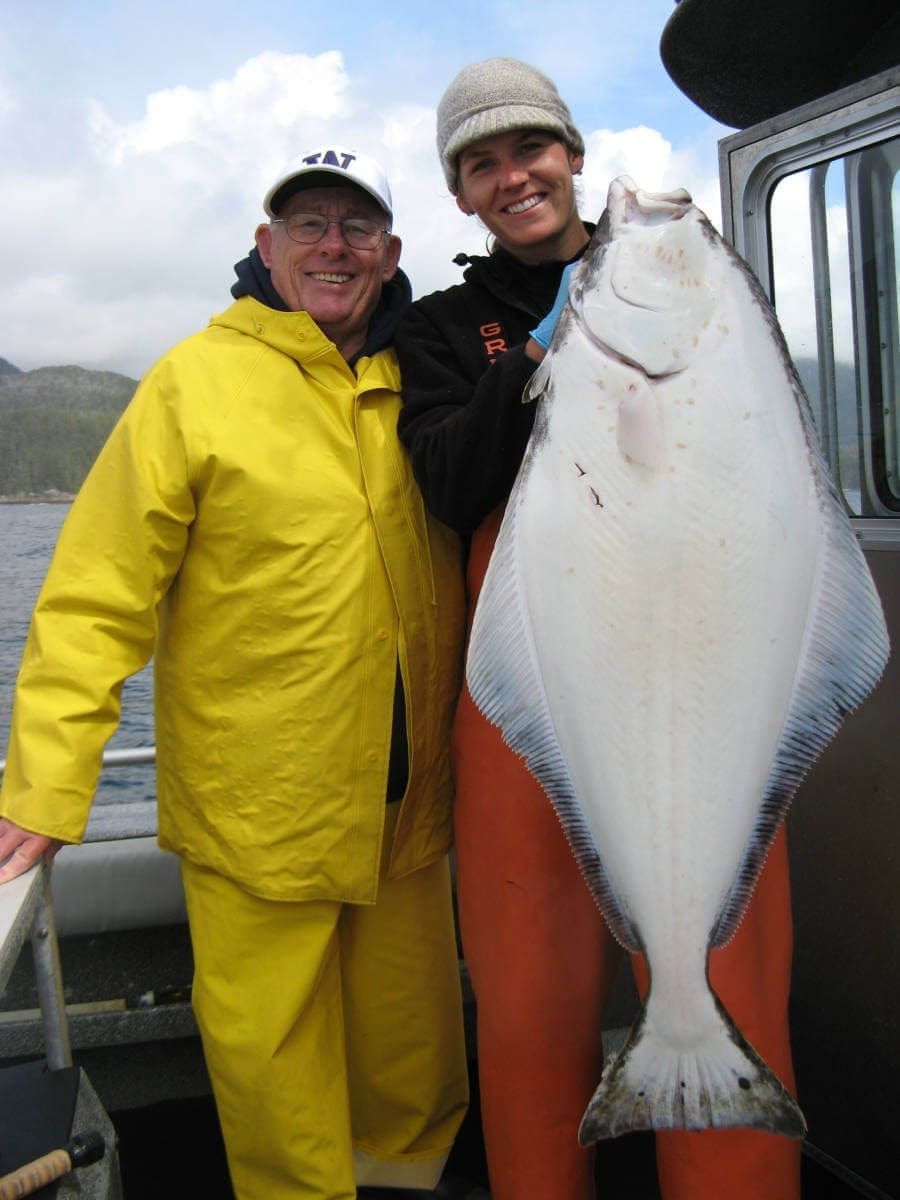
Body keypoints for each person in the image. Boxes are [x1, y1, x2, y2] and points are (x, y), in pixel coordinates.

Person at [0, 145, 472, 1200]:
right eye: (307, 222)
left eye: (358, 227)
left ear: (392, 255)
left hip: (408, 814)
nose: (333, 246)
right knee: (275, 1077)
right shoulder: (193, 381)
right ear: (265, 246)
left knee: (414, 1065)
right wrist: (42, 785)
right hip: (260, 814)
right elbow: (94, 595)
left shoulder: (429, 383)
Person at [395, 58, 801, 1200]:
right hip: (534, 701)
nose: (513, 174)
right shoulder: (441, 330)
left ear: (572, 156)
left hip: (702, 681)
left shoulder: (698, 286)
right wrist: (538, 356)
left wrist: (668, 286)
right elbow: (446, 483)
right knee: (527, 1007)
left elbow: (774, 470)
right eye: (482, 163)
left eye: (531, 148)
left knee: (732, 986)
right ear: (462, 193)